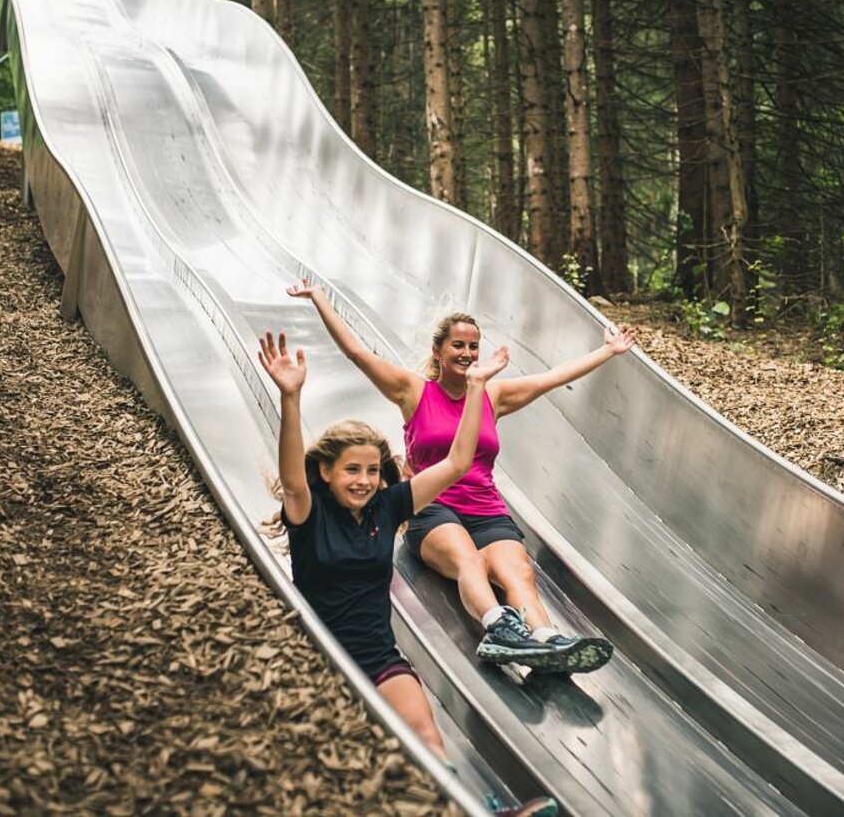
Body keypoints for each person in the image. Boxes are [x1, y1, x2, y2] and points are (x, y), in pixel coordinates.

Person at [258, 331, 557, 817]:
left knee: (425, 739)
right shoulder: (310, 515)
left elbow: (459, 462)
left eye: (372, 470)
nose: (363, 480)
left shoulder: (389, 505)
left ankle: (472, 811)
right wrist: (290, 397)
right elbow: (293, 479)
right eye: (351, 470)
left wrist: (477, 386)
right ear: (328, 472)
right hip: (318, 654)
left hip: (377, 655)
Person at [287, 280, 636, 674]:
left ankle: (547, 641)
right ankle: (500, 630)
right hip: (432, 508)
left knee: (518, 570)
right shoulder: (413, 391)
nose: (468, 353)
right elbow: (356, 353)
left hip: (486, 509)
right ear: (438, 351)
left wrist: (608, 351)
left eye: (473, 346)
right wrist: (319, 298)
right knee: (469, 559)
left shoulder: (494, 395)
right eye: (458, 345)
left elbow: (553, 377)